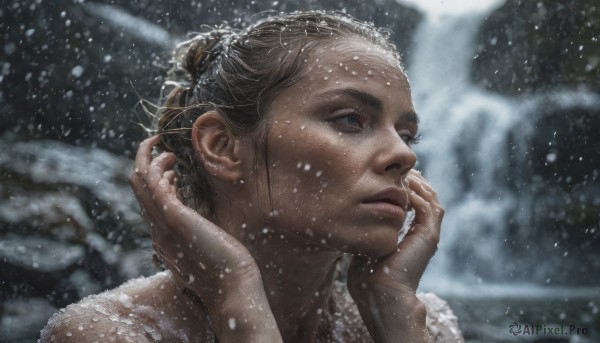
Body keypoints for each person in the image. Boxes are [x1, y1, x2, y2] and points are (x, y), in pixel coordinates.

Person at [40, 11, 463, 342]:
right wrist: (236, 295)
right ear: (222, 146)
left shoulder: (424, 326)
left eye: (407, 134)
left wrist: (396, 315)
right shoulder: (109, 335)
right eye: (351, 119)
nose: (404, 154)